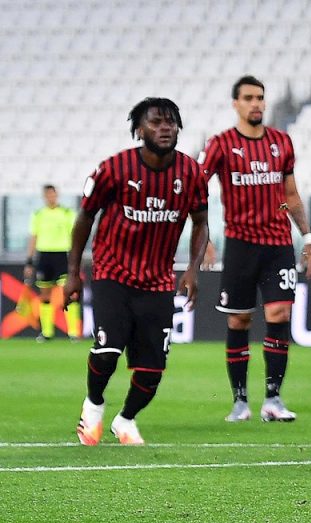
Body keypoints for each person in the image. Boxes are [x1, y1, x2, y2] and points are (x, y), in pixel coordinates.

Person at [65, 97, 209, 446]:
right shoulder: (114, 169)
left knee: (152, 369)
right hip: (113, 273)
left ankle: (125, 419)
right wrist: (73, 272)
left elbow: (202, 221)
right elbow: (85, 218)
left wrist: (192, 268)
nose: (165, 128)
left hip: (158, 281)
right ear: (139, 129)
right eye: (156, 122)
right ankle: (94, 405)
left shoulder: (190, 173)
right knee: (109, 349)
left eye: (171, 122)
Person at [199, 75, 311, 423]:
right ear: (235, 103)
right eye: (248, 98)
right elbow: (196, 191)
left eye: (260, 98)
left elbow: (291, 194)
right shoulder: (220, 144)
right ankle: (240, 401)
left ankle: (273, 399)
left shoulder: (282, 142)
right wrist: (203, 239)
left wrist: (307, 237)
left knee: (280, 314)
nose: (256, 104)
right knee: (240, 319)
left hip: (278, 244)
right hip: (239, 245)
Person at [24, 184, 80, 341]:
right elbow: (33, 237)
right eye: (48, 195)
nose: (51, 197)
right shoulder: (38, 214)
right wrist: (29, 261)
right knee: (45, 295)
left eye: (53, 194)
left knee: (68, 293)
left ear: (57, 195)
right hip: (44, 255)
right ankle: (47, 332)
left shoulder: (67, 213)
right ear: (44, 197)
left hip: (62, 254)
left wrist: (76, 258)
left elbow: (76, 236)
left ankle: (73, 332)